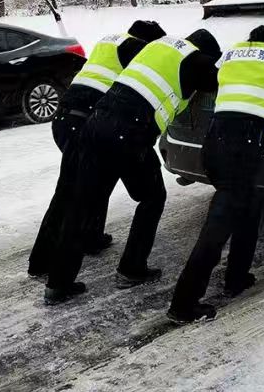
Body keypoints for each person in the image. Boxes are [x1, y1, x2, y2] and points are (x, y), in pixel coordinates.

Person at [44, 29, 222, 304]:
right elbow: (214, 83)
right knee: (153, 197)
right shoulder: (196, 61)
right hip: (129, 134)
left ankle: (58, 283)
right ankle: (132, 268)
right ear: (206, 54)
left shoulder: (159, 47)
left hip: (96, 124)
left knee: (83, 204)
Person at [167, 25, 264, 324]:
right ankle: (183, 304)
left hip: (216, 143)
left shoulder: (230, 55)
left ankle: (237, 276)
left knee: (249, 204)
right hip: (242, 146)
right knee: (217, 227)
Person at [28, 20, 166, 278]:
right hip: (86, 121)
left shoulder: (109, 41)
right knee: (76, 193)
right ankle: (53, 266)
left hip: (65, 117)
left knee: (85, 184)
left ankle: (72, 245)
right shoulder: (136, 49)